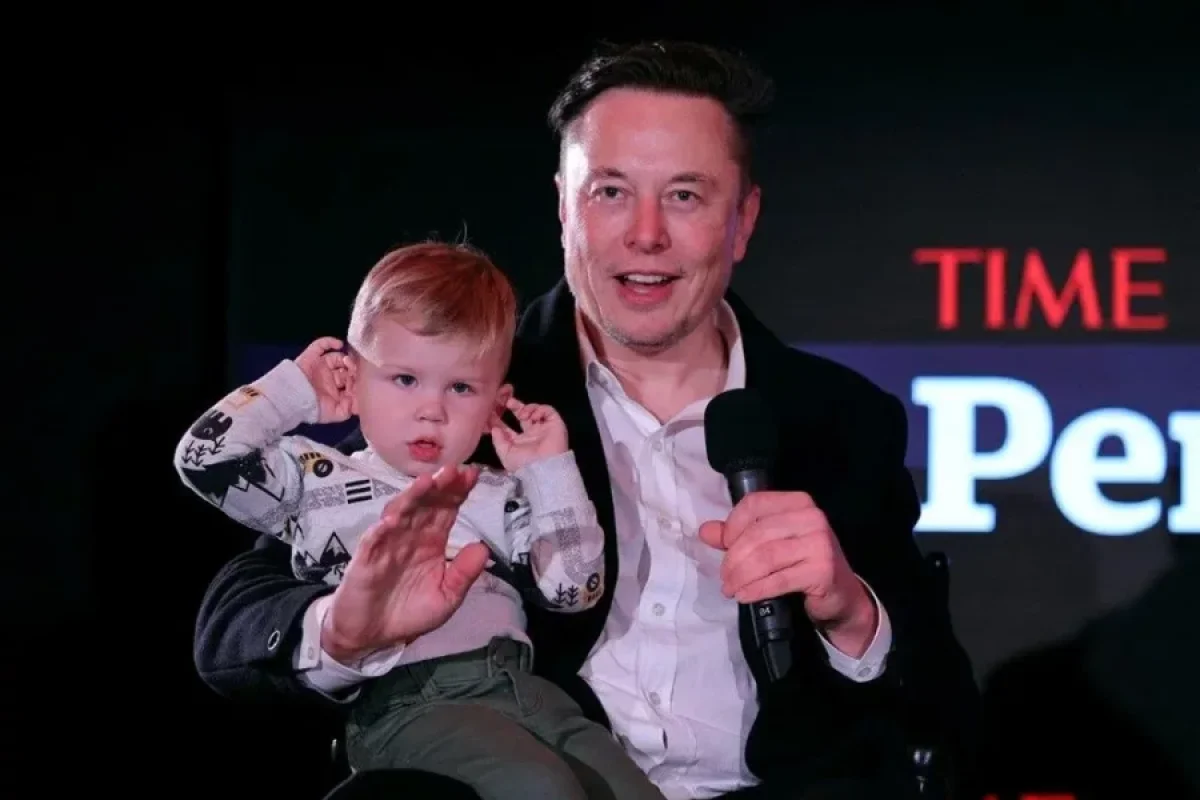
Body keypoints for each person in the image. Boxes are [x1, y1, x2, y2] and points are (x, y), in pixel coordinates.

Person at [193, 40, 980, 799]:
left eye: (685, 195)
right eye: (610, 192)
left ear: (743, 220)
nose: (646, 234)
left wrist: (849, 611)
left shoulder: (841, 417)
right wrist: (345, 629)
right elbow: (239, 615)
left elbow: (944, 704)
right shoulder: (469, 388)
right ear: (564, 208)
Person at [174, 242, 665, 800]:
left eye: (461, 388)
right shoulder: (316, 479)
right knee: (539, 787)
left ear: (495, 403)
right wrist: (295, 391)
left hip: (523, 688)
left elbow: (574, 590)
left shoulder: (499, 492)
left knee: (631, 791)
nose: (432, 409)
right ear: (353, 377)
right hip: (407, 702)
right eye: (405, 379)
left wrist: (548, 471)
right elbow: (203, 460)